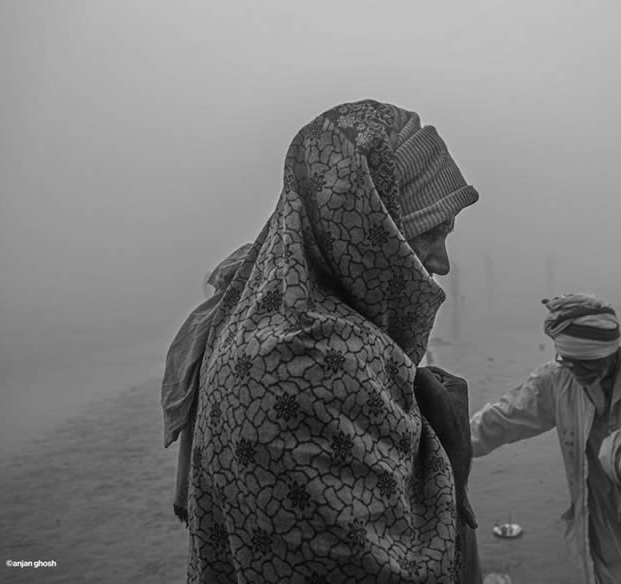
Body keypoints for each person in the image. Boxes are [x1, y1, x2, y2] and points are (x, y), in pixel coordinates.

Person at [162, 100, 481, 583]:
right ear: (374, 231)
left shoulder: (265, 321)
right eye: (431, 234)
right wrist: (445, 455)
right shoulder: (310, 359)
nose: (441, 264)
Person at [470, 293, 621, 584]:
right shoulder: (557, 379)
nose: (578, 371)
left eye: (587, 363)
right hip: (601, 517)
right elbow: (502, 419)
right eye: (569, 361)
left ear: (611, 353)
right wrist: (447, 442)